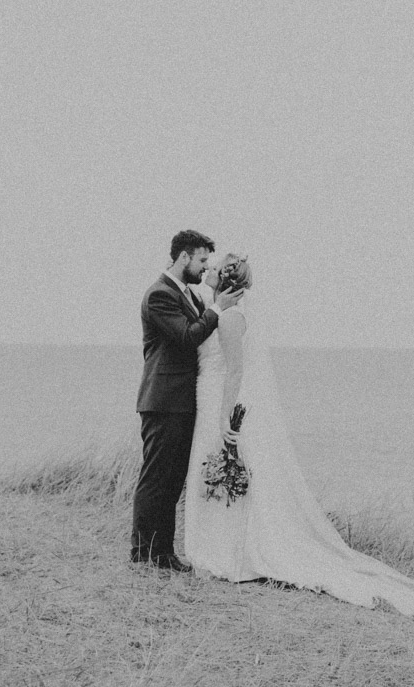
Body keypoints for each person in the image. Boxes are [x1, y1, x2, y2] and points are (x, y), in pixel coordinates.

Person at [182, 254, 414, 619]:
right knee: (218, 472)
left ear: (225, 279)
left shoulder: (232, 319)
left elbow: (234, 372)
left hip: (219, 401)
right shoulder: (221, 311)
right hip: (207, 396)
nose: (209, 269)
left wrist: (225, 419)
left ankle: (227, 553)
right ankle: (220, 547)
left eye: (215, 266)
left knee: (224, 470)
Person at [131, 229, 244, 571]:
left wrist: (212, 303)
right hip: (163, 400)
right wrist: (217, 307)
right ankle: (143, 553)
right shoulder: (158, 295)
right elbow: (186, 336)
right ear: (184, 257)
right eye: (202, 259)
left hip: (183, 402)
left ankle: (163, 553)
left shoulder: (188, 295)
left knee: (172, 480)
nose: (205, 266)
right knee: (155, 478)